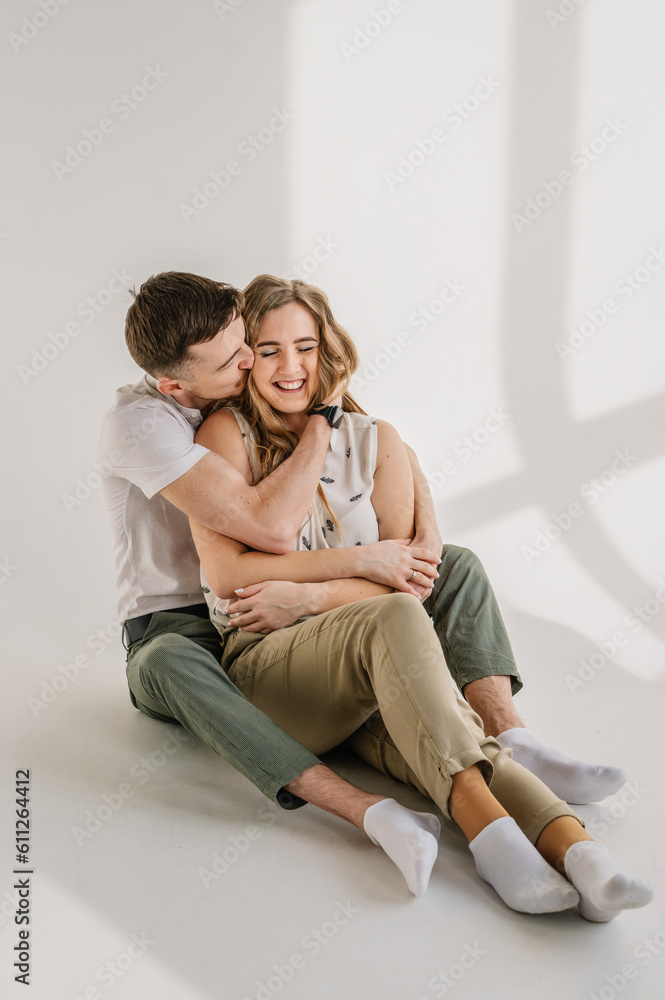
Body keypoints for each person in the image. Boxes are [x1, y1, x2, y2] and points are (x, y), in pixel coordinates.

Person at [100, 271, 625, 899]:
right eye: (255, 353)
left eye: (255, 343)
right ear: (176, 385)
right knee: (382, 626)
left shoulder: (319, 412)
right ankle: (369, 810)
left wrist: (411, 534)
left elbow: (373, 456)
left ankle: (569, 838)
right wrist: (359, 548)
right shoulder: (169, 425)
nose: (256, 362)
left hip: (322, 632)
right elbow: (256, 543)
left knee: (445, 612)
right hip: (197, 623)